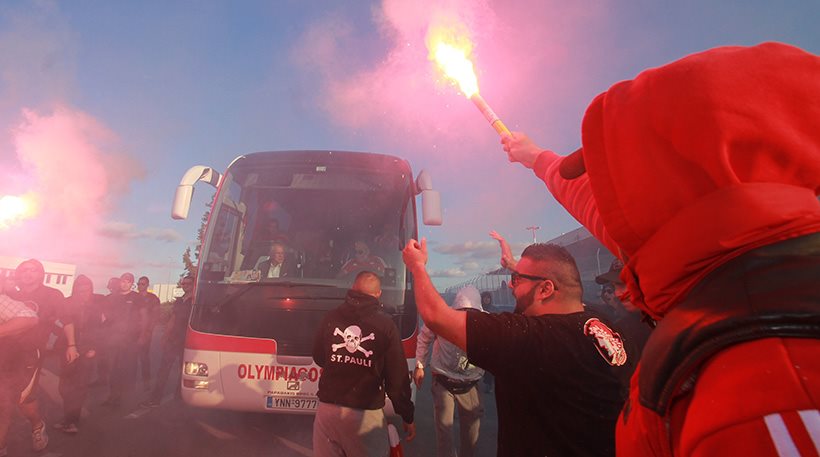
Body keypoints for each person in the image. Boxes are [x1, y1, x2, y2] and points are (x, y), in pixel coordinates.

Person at [502, 42, 820, 455]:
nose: (610, 197)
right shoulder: (718, 241)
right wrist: (536, 158)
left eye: (617, 172)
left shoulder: (771, 392)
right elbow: (592, 201)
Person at [403, 239, 627, 456]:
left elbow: (435, 316)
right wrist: (516, 268)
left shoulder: (530, 338)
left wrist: (417, 265)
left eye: (517, 280)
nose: (510, 284)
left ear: (545, 289)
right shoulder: (600, 322)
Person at [312, 271, 415, 456]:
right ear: (378, 294)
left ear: (352, 288)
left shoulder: (330, 317)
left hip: (327, 411)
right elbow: (397, 379)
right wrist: (406, 414)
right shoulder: (386, 326)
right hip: (364, 416)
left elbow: (319, 357)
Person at [6, 259, 79, 452]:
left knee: (23, 398)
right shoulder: (12, 294)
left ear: (41, 274)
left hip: (31, 352)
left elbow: (67, 320)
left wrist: (71, 345)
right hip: (4, 350)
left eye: (33, 270)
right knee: (4, 396)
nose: (28, 273)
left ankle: (37, 425)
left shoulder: (52, 294)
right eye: (24, 270)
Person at [413, 285, 485, 457]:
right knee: (444, 430)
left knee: (471, 432)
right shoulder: (442, 318)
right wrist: (420, 365)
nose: (466, 315)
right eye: (463, 311)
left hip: (471, 384)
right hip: (444, 381)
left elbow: (500, 346)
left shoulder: (486, 323)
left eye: (470, 311)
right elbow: (424, 337)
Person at [595, 260, 652, 399]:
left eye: (623, 284)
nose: (618, 294)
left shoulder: (673, 317)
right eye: (614, 286)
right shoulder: (622, 327)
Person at [53, 275, 103, 434]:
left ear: (91, 290)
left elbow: (100, 330)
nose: (83, 294)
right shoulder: (66, 303)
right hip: (67, 348)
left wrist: (94, 347)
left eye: (87, 290)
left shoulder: (95, 306)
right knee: (64, 386)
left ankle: (72, 420)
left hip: (87, 349)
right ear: (75, 290)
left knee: (80, 386)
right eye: (80, 290)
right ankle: (68, 417)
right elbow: (59, 323)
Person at [0, 274, 39, 457]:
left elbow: (30, 317)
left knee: (8, 405)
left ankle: (36, 425)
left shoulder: (2, 301)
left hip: (12, 361)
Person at [142, 275, 194, 407]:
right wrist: (166, 335)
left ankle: (179, 398)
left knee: (183, 370)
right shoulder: (179, 301)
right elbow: (173, 318)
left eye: (188, 283)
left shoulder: (195, 302)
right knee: (163, 369)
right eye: (183, 283)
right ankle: (155, 398)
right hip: (173, 339)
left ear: (193, 285)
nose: (185, 285)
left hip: (187, 340)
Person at [102, 272, 141, 407]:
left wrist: (143, 335)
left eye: (128, 281)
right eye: (123, 281)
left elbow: (143, 317)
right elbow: (106, 316)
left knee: (125, 368)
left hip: (129, 339)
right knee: (112, 368)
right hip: (113, 338)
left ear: (132, 283)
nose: (124, 284)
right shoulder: (113, 298)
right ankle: (113, 395)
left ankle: (123, 397)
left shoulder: (136, 298)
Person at [136, 276, 161, 389]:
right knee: (130, 357)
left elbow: (156, 316)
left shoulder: (153, 298)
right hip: (132, 331)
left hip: (145, 331)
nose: (140, 286)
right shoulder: (134, 297)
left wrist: (148, 331)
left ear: (147, 285)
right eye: (139, 284)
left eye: (143, 284)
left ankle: (146, 382)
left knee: (144, 357)